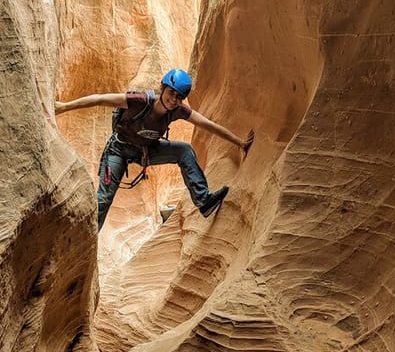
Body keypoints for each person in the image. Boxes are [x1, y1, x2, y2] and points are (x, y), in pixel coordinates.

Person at [54, 69, 254, 231]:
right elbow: (99, 99)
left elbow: (209, 125)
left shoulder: (178, 111)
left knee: (184, 150)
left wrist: (239, 142)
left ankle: (204, 201)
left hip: (146, 151)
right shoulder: (140, 101)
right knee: (104, 199)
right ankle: (87, 240)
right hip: (118, 151)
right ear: (163, 88)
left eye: (179, 97)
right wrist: (64, 107)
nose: (174, 100)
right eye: (171, 93)